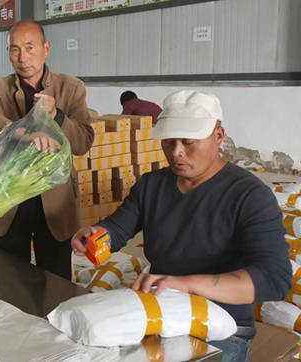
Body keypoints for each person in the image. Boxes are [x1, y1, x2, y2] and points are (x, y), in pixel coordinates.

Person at [72, 90, 291, 361]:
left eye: (188, 142)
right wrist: (96, 234)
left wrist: (186, 284)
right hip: (160, 313)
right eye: (169, 142)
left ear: (218, 136)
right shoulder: (152, 185)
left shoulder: (249, 195)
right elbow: (117, 229)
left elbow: (274, 279)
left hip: (220, 329)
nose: (176, 152)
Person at [0, 19, 94, 280]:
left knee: (56, 282)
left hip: (55, 201)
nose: (22, 58)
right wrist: (25, 132)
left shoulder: (71, 88)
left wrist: (56, 115)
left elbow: (83, 142)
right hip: (11, 200)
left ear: (46, 48)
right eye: (15, 49)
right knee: (10, 279)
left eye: (30, 48)